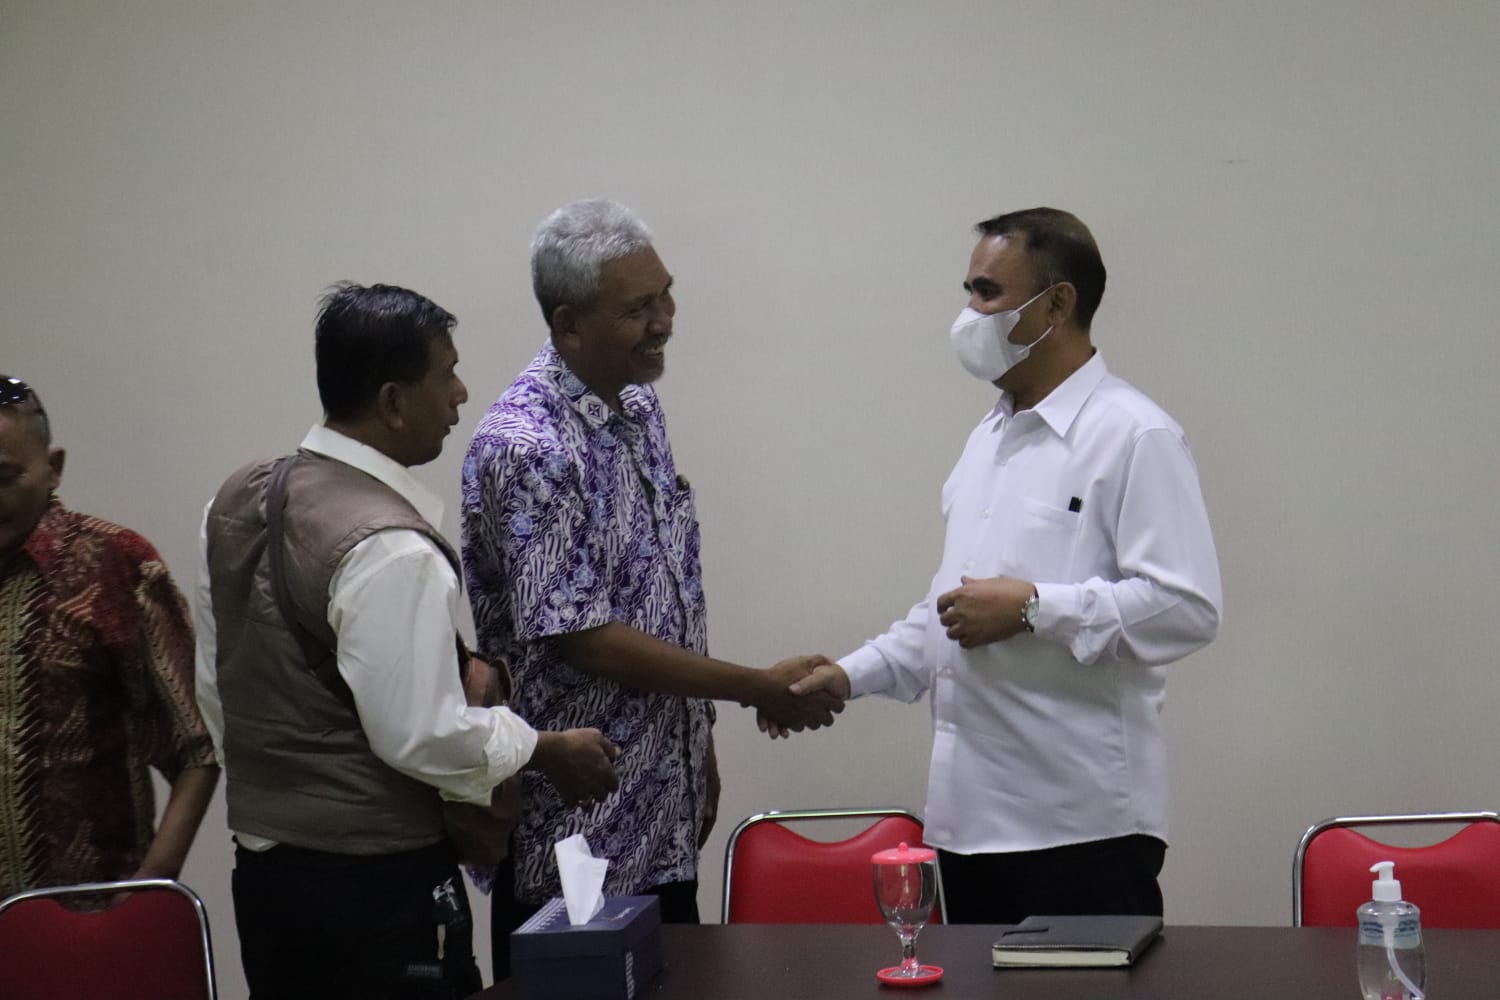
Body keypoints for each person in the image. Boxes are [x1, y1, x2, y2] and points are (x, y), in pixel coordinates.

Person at [786, 208, 1222, 924]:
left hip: (1081, 830)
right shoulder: (989, 437)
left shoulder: (1134, 434)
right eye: (969, 291)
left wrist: (1034, 608)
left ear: (1057, 304)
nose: (970, 313)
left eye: (988, 293)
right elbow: (955, 610)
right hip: (966, 825)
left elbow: (1187, 607)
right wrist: (849, 674)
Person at [194, 284, 619, 999]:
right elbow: (422, 736)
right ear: (392, 401)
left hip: (267, 881)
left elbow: (217, 685)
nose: (460, 393)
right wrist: (543, 748)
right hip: (376, 891)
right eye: (446, 373)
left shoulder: (237, 498)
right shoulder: (391, 548)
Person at [462, 199, 842, 972]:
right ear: (569, 324)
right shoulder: (527, 444)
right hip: (576, 836)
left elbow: (663, 594)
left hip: (664, 814)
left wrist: (698, 738)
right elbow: (586, 639)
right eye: (638, 308)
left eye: (666, 295)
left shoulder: (637, 405)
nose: (664, 321)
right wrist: (756, 687)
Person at [0, 374, 219, 901]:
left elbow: (198, 748)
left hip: (91, 917)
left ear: (53, 468)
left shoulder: (115, 566)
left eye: (3, 476)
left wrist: (149, 886)